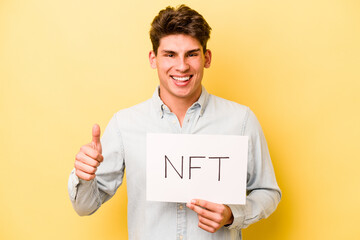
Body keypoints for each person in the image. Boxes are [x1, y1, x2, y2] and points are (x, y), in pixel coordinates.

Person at [68, 5, 281, 240]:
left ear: (206, 58)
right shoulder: (125, 124)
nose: (181, 66)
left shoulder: (241, 120)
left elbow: (268, 192)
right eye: (170, 54)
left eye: (191, 54)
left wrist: (233, 215)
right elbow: (84, 206)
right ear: (153, 59)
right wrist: (83, 176)